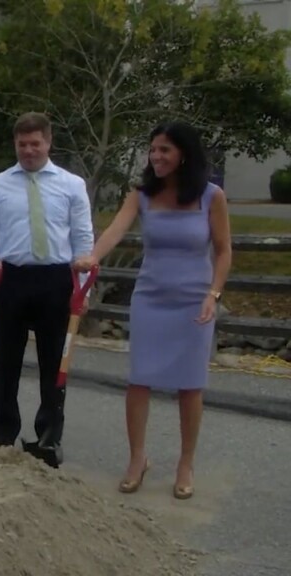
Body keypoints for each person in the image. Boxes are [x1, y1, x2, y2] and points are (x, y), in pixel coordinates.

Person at [73, 122, 231, 499]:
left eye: (165, 150)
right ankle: (137, 458)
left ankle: (185, 463)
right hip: (150, 298)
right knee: (139, 380)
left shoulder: (212, 196)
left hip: (195, 301)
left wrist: (214, 294)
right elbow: (115, 230)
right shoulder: (142, 194)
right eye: (153, 149)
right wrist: (93, 256)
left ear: (183, 155)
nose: (156, 157)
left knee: (190, 386)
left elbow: (224, 251)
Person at [0, 111, 95, 452]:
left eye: (35, 143)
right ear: (15, 144)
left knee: (54, 363)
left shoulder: (72, 185)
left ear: (48, 142)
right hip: (9, 278)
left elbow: (83, 238)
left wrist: (84, 288)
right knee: (5, 360)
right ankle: (3, 428)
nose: (28, 151)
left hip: (56, 280)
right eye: (22, 144)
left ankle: (48, 434)